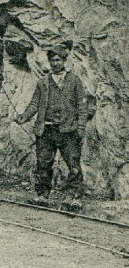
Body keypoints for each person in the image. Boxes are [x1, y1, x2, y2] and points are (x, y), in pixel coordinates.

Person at [14, 44, 87, 201]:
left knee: (73, 165)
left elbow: (82, 107)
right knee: (43, 165)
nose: (55, 63)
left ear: (64, 61)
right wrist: (24, 117)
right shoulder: (43, 82)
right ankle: (42, 196)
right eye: (52, 60)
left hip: (68, 131)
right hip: (46, 130)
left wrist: (80, 129)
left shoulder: (74, 81)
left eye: (58, 60)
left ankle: (74, 198)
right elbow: (34, 103)